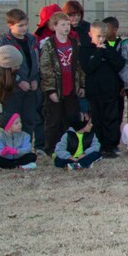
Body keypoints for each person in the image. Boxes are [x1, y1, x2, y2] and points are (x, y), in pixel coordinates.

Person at [0, 8, 42, 147]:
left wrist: (35, 79)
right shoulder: (4, 42)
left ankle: (25, 148)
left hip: (30, 89)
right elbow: (1, 67)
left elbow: (36, 62)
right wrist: (19, 81)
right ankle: (11, 148)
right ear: (10, 25)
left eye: (26, 25)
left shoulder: (32, 40)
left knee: (29, 120)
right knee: (12, 121)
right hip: (12, 90)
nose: (24, 28)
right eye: (20, 25)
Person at [39, 10, 84, 152]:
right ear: (54, 26)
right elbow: (45, 68)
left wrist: (82, 85)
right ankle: (51, 148)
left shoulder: (74, 43)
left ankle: (69, 147)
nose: (66, 27)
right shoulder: (49, 45)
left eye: (68, 24)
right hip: (56, 89)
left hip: (71, 88)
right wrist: (50, 90)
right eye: (63, 25)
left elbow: (79, 66)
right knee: (53, 120)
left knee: (71, 118)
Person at [79, 23, 125, 157]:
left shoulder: (109, 48)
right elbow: (88, 68)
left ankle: (111, 146)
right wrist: (99, 53)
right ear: (90, 34)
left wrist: (106, 52)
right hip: (95, 91)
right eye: (98, 36)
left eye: (104, 36)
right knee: (97, 119)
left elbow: (120, 64)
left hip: (110, 90)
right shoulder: (85, 49)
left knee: (111, 118)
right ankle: (97, 145)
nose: (101, 39)